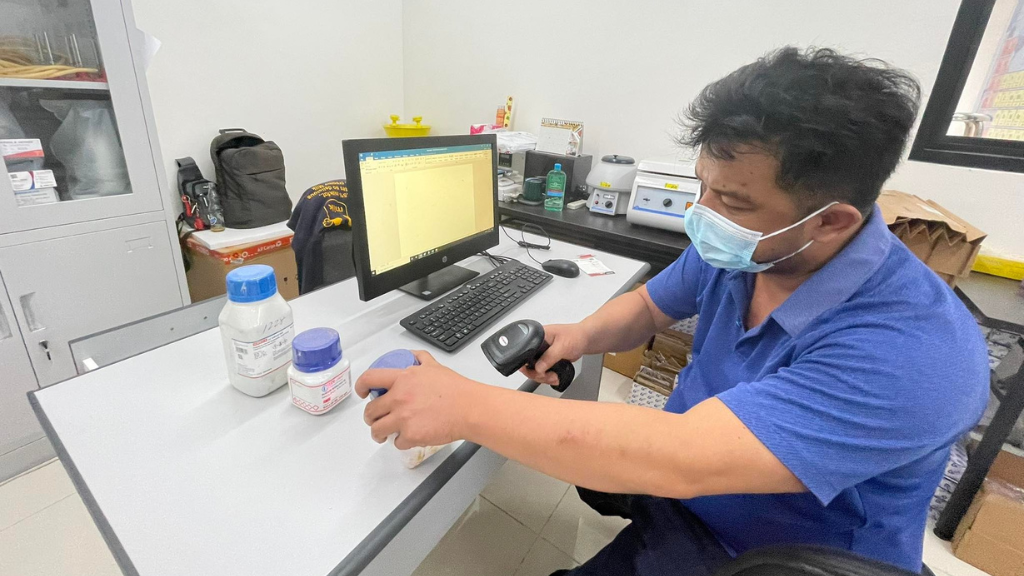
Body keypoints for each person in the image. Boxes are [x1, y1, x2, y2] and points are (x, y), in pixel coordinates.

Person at [355, 47, 990, 575]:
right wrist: (578, 335)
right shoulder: (747, 252)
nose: (703, 212)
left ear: (830, 222)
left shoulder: (916, 351)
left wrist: (462, 405)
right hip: (691, 501)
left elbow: (680, 456)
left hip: (770, 557)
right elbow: (648, 306)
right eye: (702, 184)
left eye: (733, 200)